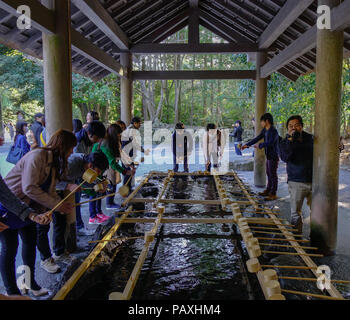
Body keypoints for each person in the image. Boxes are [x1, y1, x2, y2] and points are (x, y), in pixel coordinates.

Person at [1, 130, 75, 295]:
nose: (71, 153)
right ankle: (13, 293)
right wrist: (56, 204)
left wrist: (58, 206)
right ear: (63, 146)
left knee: (29, 246)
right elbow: (29, 187)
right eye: (70, 148)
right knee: (10, 249)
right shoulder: (37, 156)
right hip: (10, 207)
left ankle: (29, 284)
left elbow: (50, 191)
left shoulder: (54, 163)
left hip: (29, 209)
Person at [57, 151, 109, 235]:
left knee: (68, 217)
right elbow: (52, 181)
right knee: (59, 223)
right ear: (90, 165)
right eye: (98, 171)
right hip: (55, 191)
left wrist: (98, 186)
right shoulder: (72, 163)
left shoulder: (86, 166)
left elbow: (84, 181)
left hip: (69, 187)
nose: (98, 174)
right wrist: (68, 186)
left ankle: (73, 236)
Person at [92, 124, 135, 216]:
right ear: (113, 134)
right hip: (99, 167)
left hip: (104, 166)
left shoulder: (111, 142)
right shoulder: (106, 144)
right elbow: (112, 162)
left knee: (104, 187)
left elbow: (119, 155)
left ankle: (99, 212)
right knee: (99, 190)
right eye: (118, 135)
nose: (119, 136)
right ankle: (97, 212)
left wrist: (130, 164)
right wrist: (125, 171)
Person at [242, 113, 280, 201]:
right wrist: (247, 145)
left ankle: (273, 193)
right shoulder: (265, 130)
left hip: (273, 155)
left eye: (262, 121)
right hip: (269, 155)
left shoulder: (273, 131)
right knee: (268, 173)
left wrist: (260, 145)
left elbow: (270, 143)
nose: (261, 123)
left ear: (266, 121)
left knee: (273, 174)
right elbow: (257, 138)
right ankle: (268, 190)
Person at [121, 117, 149, 190]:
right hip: (126, 155)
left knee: (130, 172)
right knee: (128, 172)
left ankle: (128, 188)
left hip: (128, 154)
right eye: (139, 123)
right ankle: (126, 190)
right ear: (134, 123)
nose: (140, 125)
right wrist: (143, 151)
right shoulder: (132, 131)